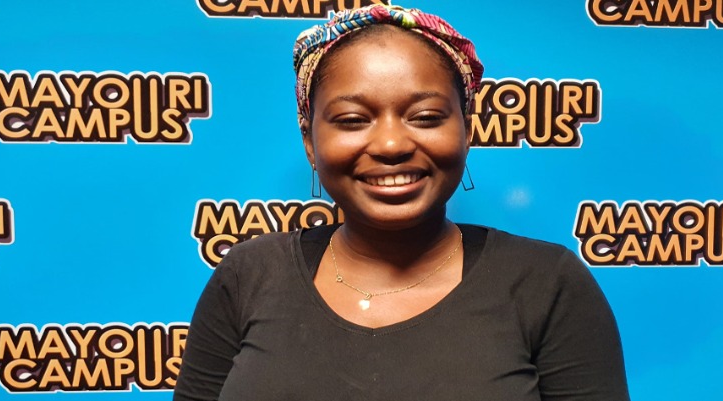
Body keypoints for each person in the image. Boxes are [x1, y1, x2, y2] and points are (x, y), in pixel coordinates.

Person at [174, 5, 629, 400]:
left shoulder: (546, 285)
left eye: (425, 117)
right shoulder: (249, 276)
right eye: (353, 119)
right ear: (310, 141)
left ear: (467, 130)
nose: (391, 144)